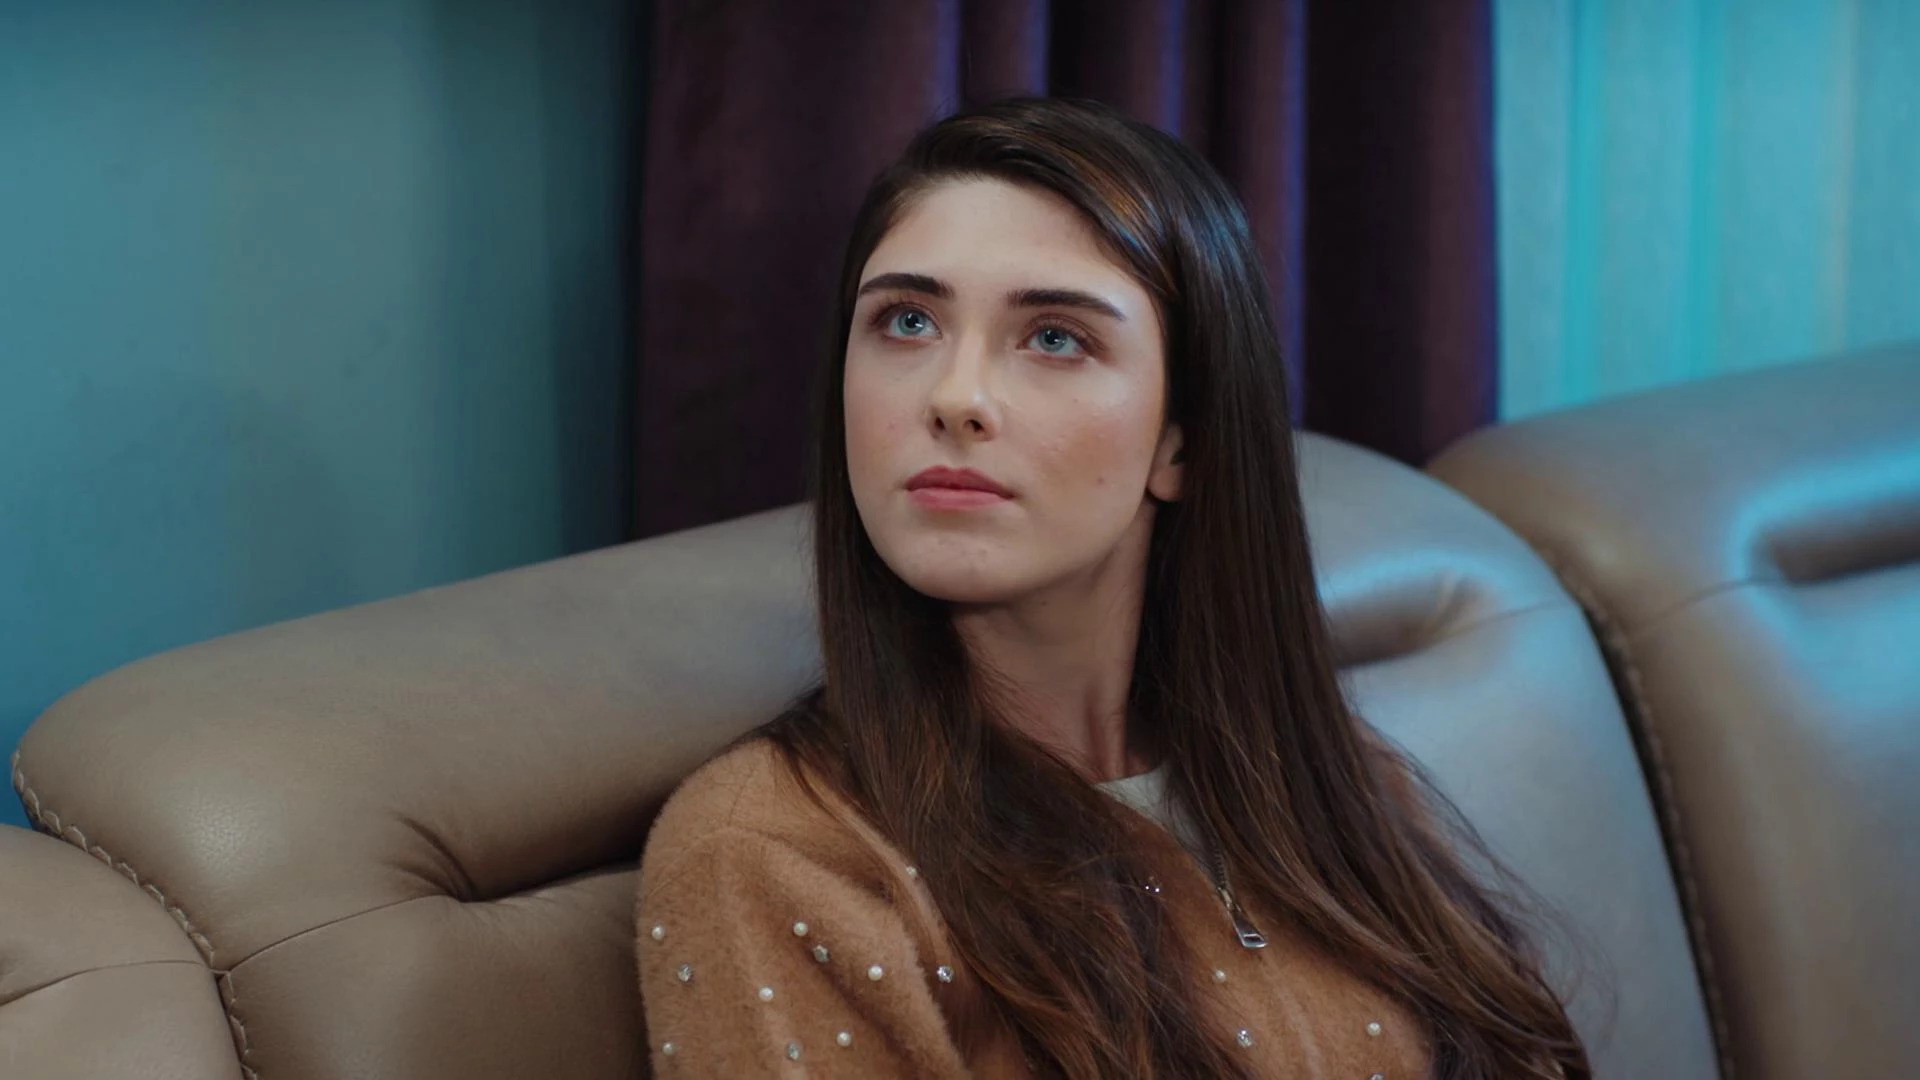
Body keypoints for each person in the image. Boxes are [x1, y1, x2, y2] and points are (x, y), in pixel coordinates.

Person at [635, 97, 1589, 1079]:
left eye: (1054, 337)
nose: (955, 397)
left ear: (1182, 439)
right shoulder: (772, 855)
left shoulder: (1326, 775)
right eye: (907, 322)